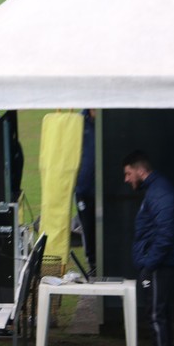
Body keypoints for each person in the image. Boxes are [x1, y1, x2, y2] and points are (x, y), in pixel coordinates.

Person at [123, 151, 174, 346]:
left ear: (140, 170)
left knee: (156, 314)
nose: (127, 179)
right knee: (159, 312)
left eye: (128, 174)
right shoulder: (156, 191)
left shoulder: (160, 193)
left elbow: (165, 234)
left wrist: (149, 265)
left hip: (159, 265)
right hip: (158, 263)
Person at [76, 110, 97, 273]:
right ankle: (93, 264)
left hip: (104, 189)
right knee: (88, 227)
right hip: (83, 188)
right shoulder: (78, 121)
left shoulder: (107, 122)